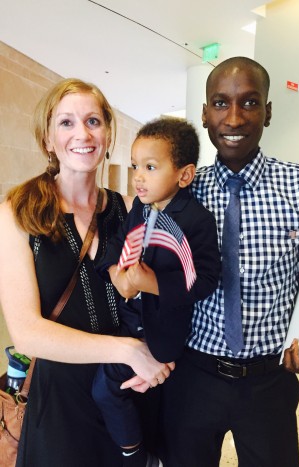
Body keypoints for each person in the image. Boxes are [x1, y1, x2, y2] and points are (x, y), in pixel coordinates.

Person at [160, 57, 299, 467]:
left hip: (269, 379)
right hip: (193, 375)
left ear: (268, 112)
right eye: (220, 103)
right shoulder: (182, 191)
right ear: (204, 114)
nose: (234, 118)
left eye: (250, 103)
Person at [0, 78, 173, 467]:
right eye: (66, 123)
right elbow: (26, 333)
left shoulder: (131, 210)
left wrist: (161, 357)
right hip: (62, 402)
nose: (82, 133)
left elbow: (164, 297)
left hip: (128, 390)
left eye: (93, 121)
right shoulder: (17, 213)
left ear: (107, 133)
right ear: (47, 139)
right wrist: (127, 349)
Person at [92, 117, 220, 467]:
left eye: (150, 167)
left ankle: (138, 456)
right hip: (128, 323)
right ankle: (136, 451)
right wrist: (115, 271)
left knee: (110, 390)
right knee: (111, 392)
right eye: (135, 166)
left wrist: (154, 284)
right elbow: (115, 245)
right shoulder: (138, 208)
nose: (138, 176)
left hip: (163, 333)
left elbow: (207, 278)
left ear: (184, 175)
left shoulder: (196, 219)